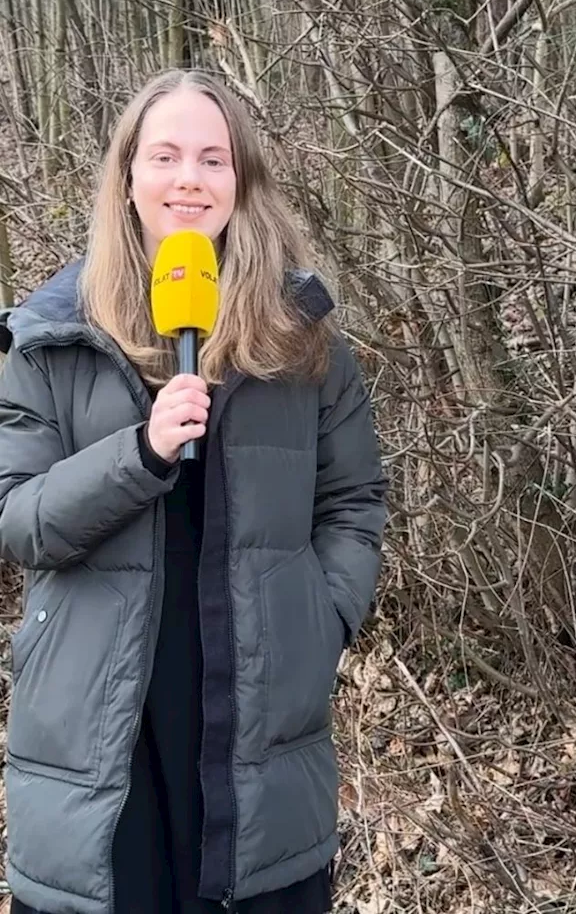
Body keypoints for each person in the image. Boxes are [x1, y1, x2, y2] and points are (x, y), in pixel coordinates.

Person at [0, 69, 388, 914]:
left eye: (213, 159)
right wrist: (139, 452)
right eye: (166, 156)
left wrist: (320, 621)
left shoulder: (305, 338)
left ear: (241, 180)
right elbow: (19, 519)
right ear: (127, 177)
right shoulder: (47, 337)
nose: (189, 179)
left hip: (255, 727)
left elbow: (355, 499)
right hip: (100, 737)